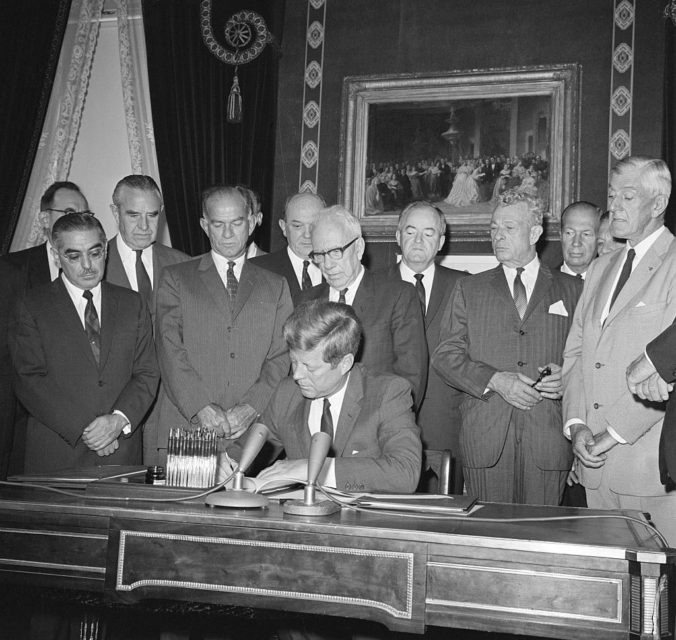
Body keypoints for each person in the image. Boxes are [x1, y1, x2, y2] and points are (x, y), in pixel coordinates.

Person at [432, 189, 583, 505]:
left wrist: (568, 376)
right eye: (493, 228)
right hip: (486, 440)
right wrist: (496, 381)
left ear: (535, 232)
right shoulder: (468, 288)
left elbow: (591, 360)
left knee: (541, 541)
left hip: (548, 441)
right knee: (488, 540)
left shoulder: (572, 289)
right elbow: (445, 356)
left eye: (509, 228)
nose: (498, 236)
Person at [563, 156, 676, 544]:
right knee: (613, 595)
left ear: (658, 204)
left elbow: (668, 369)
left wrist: (611, 435)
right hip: (593, 465)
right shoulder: (601, 267)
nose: (615, 207)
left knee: (657, 598)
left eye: (628, 196)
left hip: (647, 470)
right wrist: (576, 426)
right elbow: (576, 355)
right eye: (613, 196)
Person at [9, 213, 159, 473]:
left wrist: (117, 421)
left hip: (121, 454)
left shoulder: (132, 303)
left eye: (95, 252)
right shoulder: (31, 305)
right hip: (58, 455)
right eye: (74, 256)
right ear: (57, 256)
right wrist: (88, 430)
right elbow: (28, 380)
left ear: (106, 250)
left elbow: (147, 372)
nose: (87, 265)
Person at [153, 186, 293, 464]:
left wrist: (252, 407)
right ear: (205, 226)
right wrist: (200, 407)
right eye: (218, 224)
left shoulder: (276, 285)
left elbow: (281, 355)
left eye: (237, 223)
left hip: (253, 433)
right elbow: (169, 350)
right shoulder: (175, 279)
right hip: (188, 427)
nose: (228, 234)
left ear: (252, 222)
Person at [226, 300, 422, 494]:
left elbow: (406, 473)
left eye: (309, 367)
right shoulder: (287, 393)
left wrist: (316, 469)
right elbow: (241, 453)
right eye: (294, 362)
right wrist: (226, 470)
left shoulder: (388, 392)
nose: (296, 375)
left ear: (345, 363)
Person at [1, 181, 91, 476]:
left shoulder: (96, 269)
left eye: (83, 213)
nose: (76, 218)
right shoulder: (11, 270)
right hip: (16, 418)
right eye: (67, 211)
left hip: (75, 420)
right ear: (43, 219)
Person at [300, 205, 428, 411]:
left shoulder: (398, 295)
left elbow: (410, 379)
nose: (327, 265)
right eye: (319, 255)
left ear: (358, 248)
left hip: (374, 428)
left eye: (335, 252)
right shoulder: (306, 301)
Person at [390, 201, 466, 489]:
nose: (419, 241)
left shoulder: (465, 286)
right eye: (410, 232)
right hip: (387, 432)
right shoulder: (375, 286)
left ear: (441, 242)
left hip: (446, 429)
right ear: (397, 237)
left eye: (429, 233)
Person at [105, 174, 189, 318]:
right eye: (134, 215)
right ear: (116, 213)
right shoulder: (96, 266)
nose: (144, 226)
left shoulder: (183, 264)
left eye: (152, 215)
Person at [250, 192, 325, 305]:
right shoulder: (257, 269)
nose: (307, 235)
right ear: (283, 227)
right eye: (298, 226)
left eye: (314, 226)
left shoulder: (340, 269)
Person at [559, 201, 602, 279]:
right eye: (569, 233)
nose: (576, 243)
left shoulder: (613, 284)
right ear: (561, 236)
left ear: (599, 238)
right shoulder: (542, 284)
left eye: (586, 234)